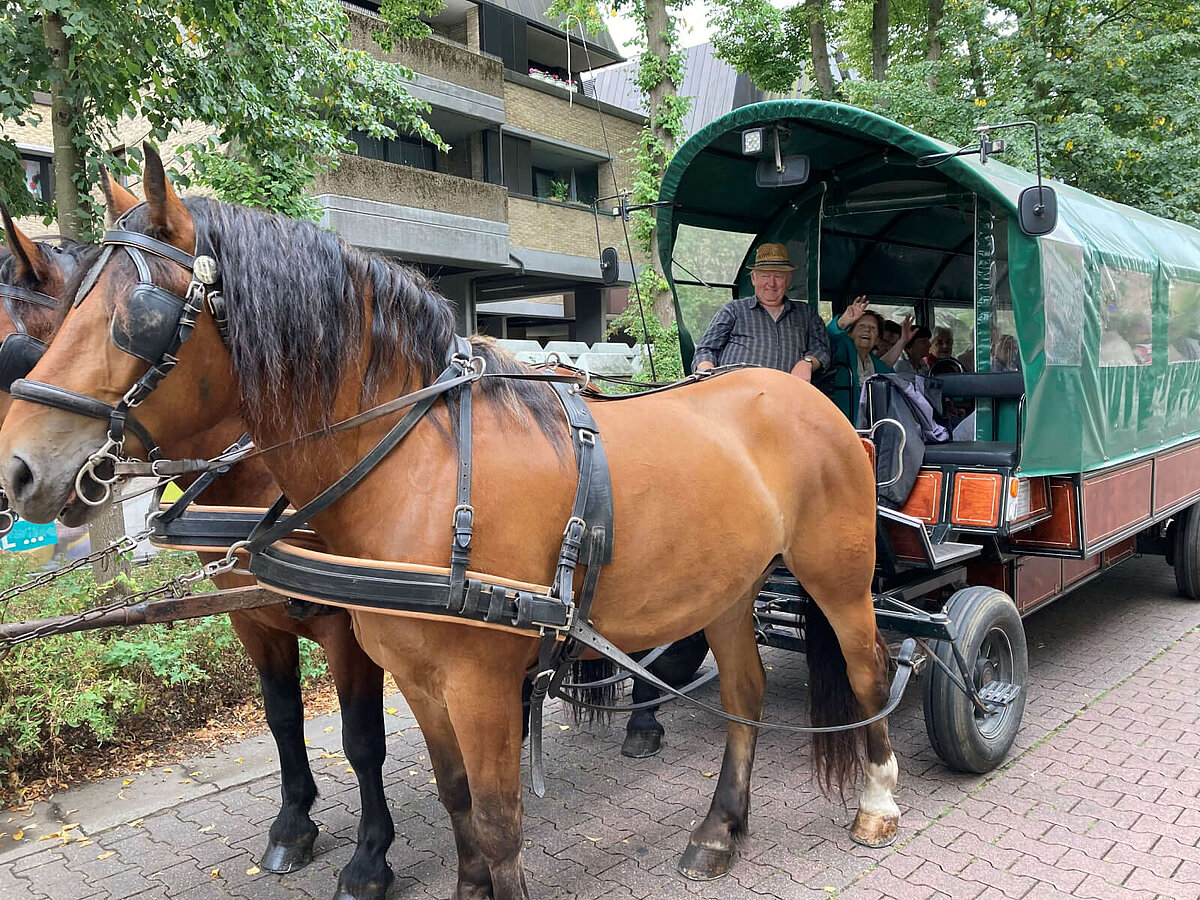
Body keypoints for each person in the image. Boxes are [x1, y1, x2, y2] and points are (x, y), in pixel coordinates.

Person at [692, 243, 829, 381]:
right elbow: (706, 349)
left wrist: (807, 363)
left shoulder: (805, 313)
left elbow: (821, 349)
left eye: (778, 276)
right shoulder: (733, 309)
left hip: (785, 395)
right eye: (765, 276)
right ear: (753, 279)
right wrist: (707, 372)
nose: (771, 283)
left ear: (788, 280)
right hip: (736, 393)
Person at [825, 296, 912, 420]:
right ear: (850, 333)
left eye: (872, 328)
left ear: (877, 339)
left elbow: (888, 374)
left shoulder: (875, 364)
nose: (867, 330)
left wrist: (903, 340)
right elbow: (828, 340)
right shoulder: (842, 348)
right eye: (861, 326)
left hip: (869, 429)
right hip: (839, 425)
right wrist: (843, 322)